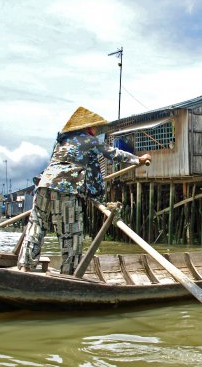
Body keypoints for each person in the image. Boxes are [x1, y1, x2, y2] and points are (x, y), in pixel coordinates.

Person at [18, 106, 151, 274]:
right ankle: (69, 273)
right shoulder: (90, 141)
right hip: (66, 189)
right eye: (95, 127)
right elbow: (113, 153)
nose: (97, 131)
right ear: (88, 127)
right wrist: (138, 159)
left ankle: (24, 267)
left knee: (36, 226)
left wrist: (90, 190)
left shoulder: (62, 142)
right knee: (71, 233)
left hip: (44, 186)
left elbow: (86, 167)